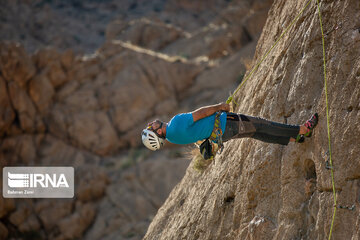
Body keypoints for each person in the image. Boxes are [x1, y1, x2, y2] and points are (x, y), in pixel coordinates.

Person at [141, 103, 318, 153]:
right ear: (157, 133)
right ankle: (302, 130)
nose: (151, 123)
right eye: (151, 127)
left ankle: (294, 139)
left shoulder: (173, 138)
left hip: (222, 134)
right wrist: (220, 106)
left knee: (257, 133)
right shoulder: (175, 122)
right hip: (227, 122)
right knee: (263, 125)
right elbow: (201, 113)